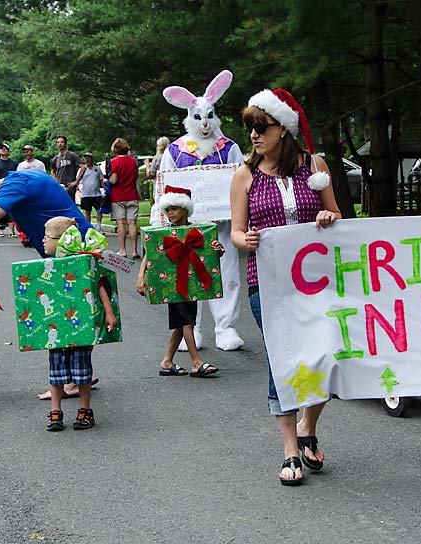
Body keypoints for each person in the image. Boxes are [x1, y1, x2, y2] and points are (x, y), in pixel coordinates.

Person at [230, 89, 340, 485]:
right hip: (268, 284)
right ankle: (290, 448)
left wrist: (327, 215)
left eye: (262, 127)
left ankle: (308, 426)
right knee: (283, 360)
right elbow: (236, 232)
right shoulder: (245, 175)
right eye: (251, 128)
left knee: (325, 355)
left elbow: (336, 213)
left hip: (317, 282)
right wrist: (246, 240)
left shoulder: (314, 166)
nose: (254, 135)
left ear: (283, 129)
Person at [0, 172, 96, 400]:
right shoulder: (23, 180)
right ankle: (79, 376)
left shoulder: (15, 184)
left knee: (67, 316)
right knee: (77, 314)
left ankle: (70, 382)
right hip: (75, 249)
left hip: (71, 253)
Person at [157, 70, 249, 352]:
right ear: (190, 117)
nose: (205, 123)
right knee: (188, 273)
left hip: (222, 223)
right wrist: (166, 220)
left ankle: (225, 326)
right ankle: (191, 328)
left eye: (209, 115)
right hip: (188, 226)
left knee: (227, 270)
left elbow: (242, 179)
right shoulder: (176, 150)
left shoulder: (229, 148)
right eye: (198, 117)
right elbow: (165, 186)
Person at [136, 186, 224, 377]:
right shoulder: (163, 232)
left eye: (174, 209)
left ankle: (167, 361)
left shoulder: (199, 231)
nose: (170, 213)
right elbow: (150, 253)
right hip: (172, 285)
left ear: (185, 209)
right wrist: (141, 276)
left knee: (180, 323)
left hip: (191, 284)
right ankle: (196, 362)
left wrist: (217, 250)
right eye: (167, 209)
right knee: (187, 322)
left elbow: (208, 254)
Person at [41, 216, 116, 430]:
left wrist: (109, 313)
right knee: (56, 371)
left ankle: (85, 409)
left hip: (81, 326)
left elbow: (98, 285)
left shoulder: (82, 263)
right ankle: (55, 410)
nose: (43, 240)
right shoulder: (46, 267)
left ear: (62, 240)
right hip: (56, 326)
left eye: (47, 237)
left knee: (82, 370)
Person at [108, 138, 141, 258]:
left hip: (118, 196)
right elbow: (136, 176)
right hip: (132, 194)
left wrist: (106, 181)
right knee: (132, 223)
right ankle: (134, 251)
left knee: (121, 223)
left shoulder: (114, 162)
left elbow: (114, 179)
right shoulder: (133, 162)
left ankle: (123, 250)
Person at [76, 152, 104, 225]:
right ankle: (88, 226)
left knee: (99, 210)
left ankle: (98, 226)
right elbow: (77, 180)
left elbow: (101, 180)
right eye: (86, 158)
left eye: (89, 158)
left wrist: (105, 189)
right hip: (86, 194)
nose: (87, 160)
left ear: (92, 159)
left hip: (97, 194)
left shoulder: (97, 169)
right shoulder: (82, 169)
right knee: (87, 211)